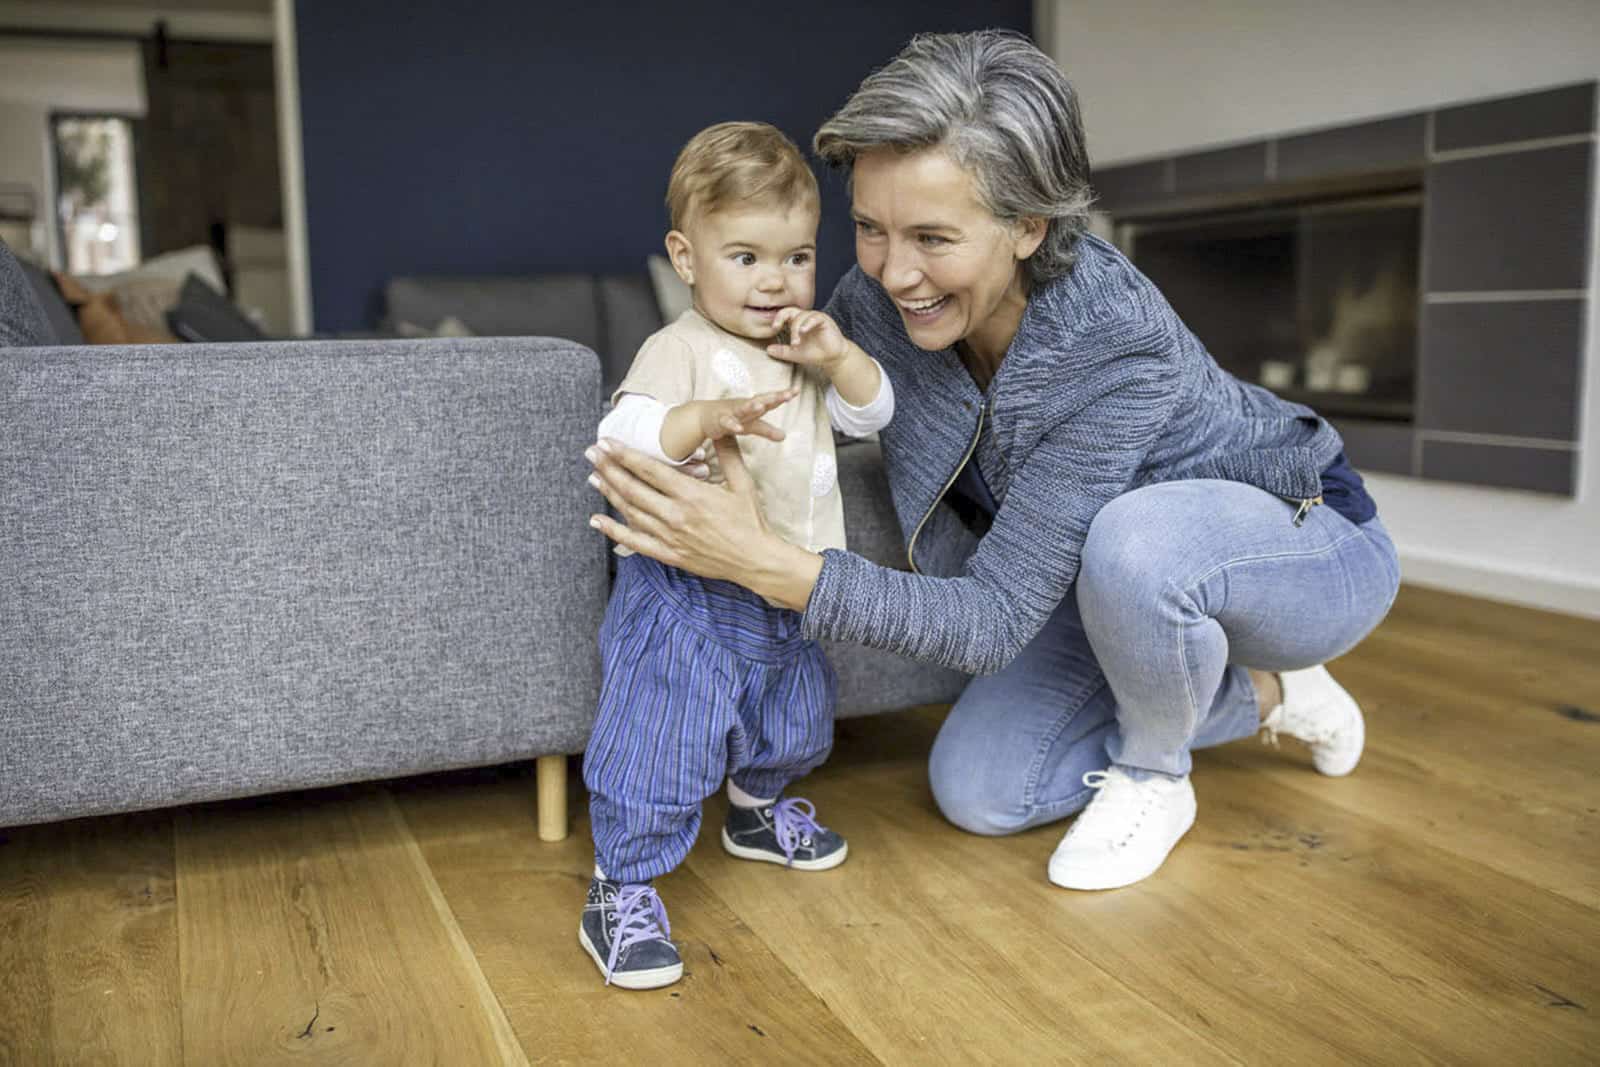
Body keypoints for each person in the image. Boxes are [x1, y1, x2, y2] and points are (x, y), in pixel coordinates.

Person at [585, 30, 1401, 896]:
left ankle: (1158, 773)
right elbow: (781, 393)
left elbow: (991, 621)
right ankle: (1270, 698)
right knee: (978, 789)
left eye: (933, 237)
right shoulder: (871, 299)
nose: (895, 274)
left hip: (1301, 540)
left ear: (1027, 225)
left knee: (1136, 537)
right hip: (1091, 582)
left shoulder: (1117, 345)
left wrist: (767, 564)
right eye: (868, 228)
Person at [578, 121, 895, 989]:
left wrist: (843, 357)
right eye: (745, 257)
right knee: (662, 737)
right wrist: (702, 421)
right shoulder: (679, 349)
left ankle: (754, 813)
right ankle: (622, 884)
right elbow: (622, 432)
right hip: (688, 594)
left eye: (795, 256)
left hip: (787, 584)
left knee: (790, 714)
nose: (775, 280)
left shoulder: (803, 345)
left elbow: (873, 419)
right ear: (687, 257)